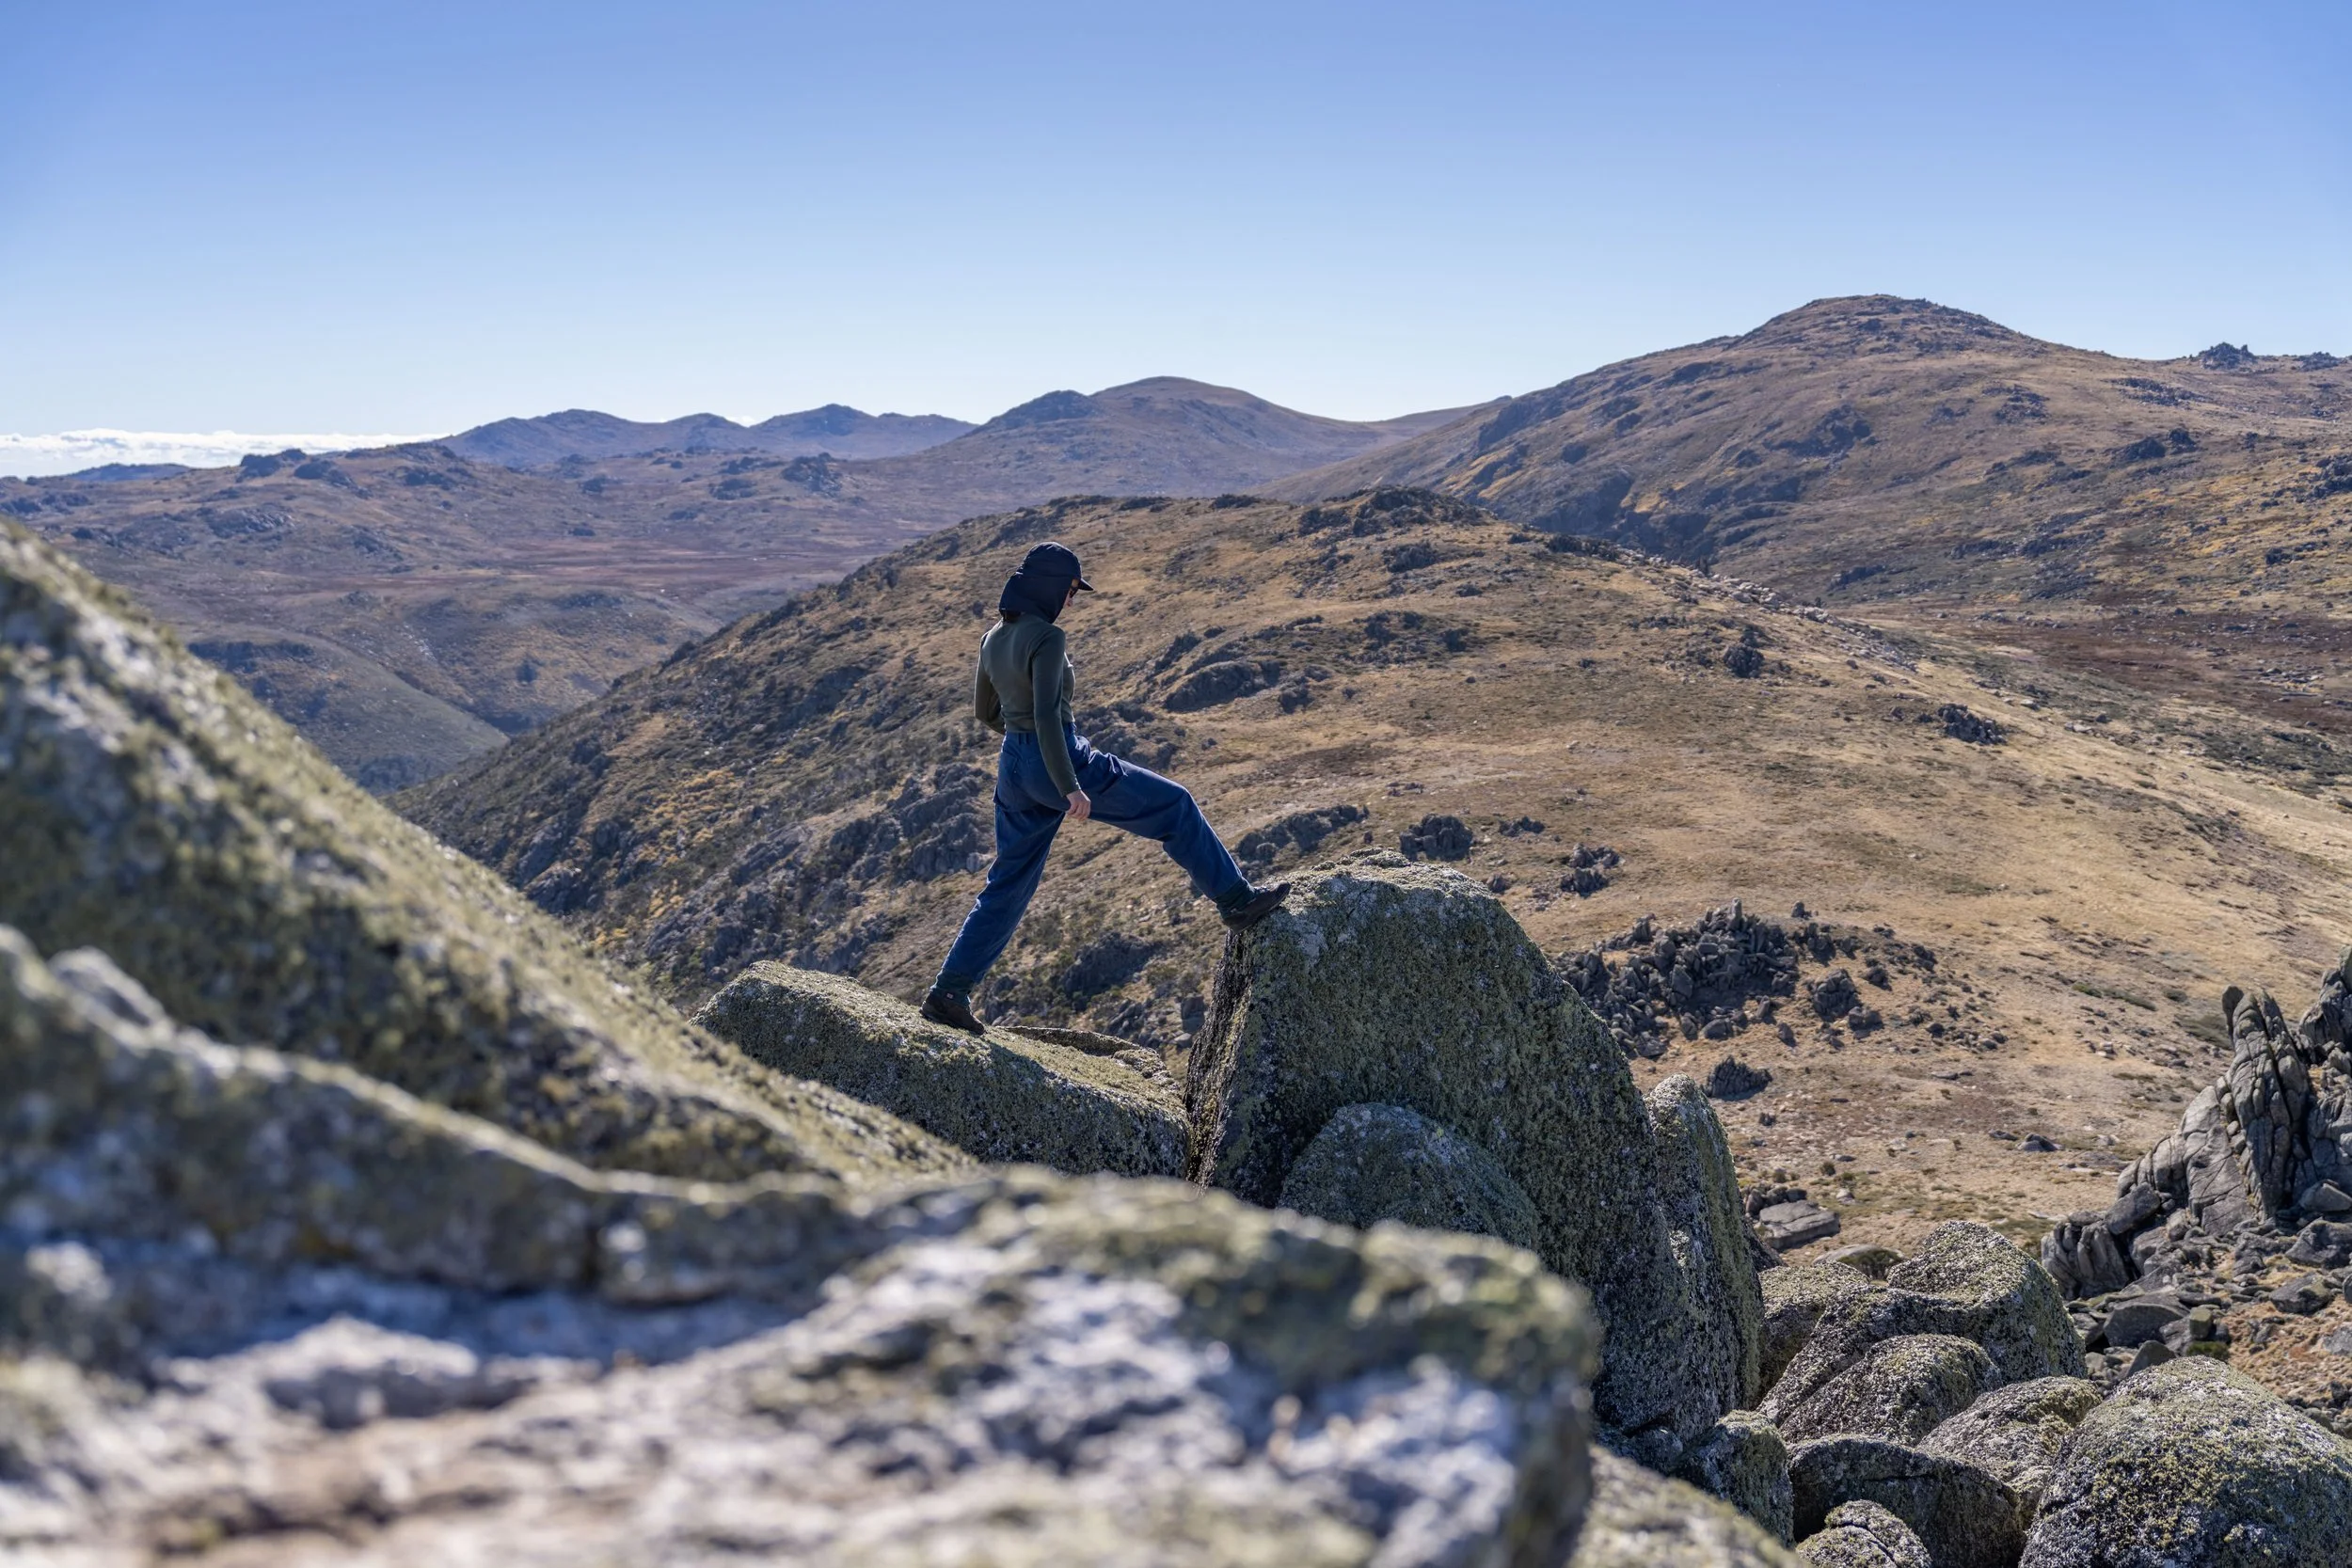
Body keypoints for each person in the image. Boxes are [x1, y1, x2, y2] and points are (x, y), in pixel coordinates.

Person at [921, 541, 1289, 1035]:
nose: (1072, 600)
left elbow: (985, 714)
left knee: (1007, 884)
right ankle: (1236, 901)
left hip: (1012, 765)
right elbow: (1050, 714)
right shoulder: (1047, 639)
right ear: (1051, 587)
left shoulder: (992, 638)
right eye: (1071, 589)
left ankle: (948, 992)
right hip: (1061, 760)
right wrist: (1069, 784)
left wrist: (1024, 747)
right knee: (1175, 806)